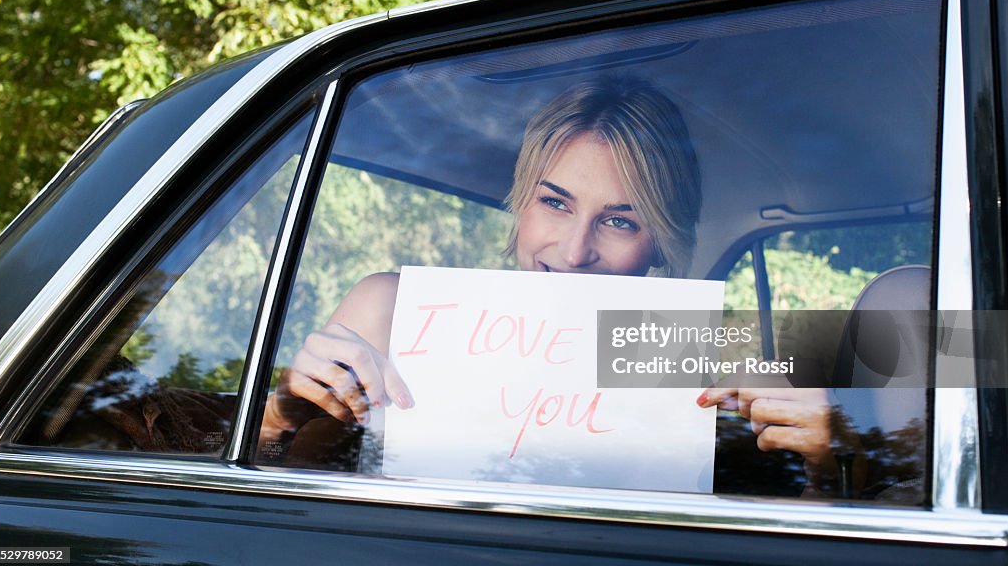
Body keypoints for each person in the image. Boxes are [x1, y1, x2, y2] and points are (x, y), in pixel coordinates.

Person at [259, 75, 842, 493]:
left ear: (660, 241)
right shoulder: (393, 308)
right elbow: (263, 474)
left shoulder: (706, 372)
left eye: (619, 220)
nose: (574, 250)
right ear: (520, 204)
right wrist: (284, 410)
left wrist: (824, 464)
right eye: (555, 203)